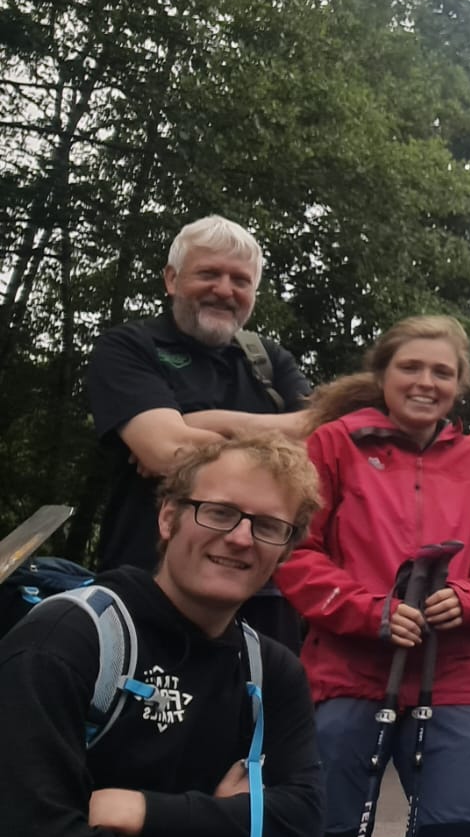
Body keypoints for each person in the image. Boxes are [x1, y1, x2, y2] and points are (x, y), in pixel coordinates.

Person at [0, 436, 447, 837]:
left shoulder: (269, 668)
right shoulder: (72, 639)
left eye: (269, 526)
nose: (240, 538)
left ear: (286, 549)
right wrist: (224, 825)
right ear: (168, 518)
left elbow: (300, 825)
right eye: (218, 512)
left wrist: (143, 811)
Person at [276, 316, 470, 837]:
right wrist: (370, 610)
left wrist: (469, 597)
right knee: (327, 832)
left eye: (442, 372)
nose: (425, 382)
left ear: (459, 384)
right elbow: (295, 551)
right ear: (383, 373)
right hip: (346, 668)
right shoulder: (334, 444)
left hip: (454, 672)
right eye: (410, 367)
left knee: (458, 836)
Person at [87, 215, 312, 649]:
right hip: (147, 587)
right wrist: (274, 449)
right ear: (172, 279)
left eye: (240, 280)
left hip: (262, 597)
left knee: (259, 712)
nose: (225, 290)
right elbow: (163, 451)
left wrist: (200, 424)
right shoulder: (130, 347)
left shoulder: (270, 359)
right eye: (209, 273)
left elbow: (320, 444)